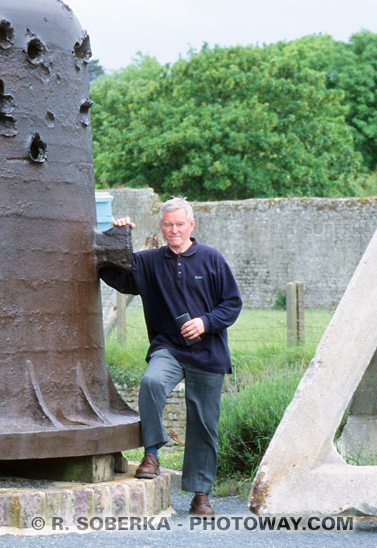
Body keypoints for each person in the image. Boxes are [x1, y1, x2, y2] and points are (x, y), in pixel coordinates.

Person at [99, 197, 242, 516]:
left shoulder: (212, 259)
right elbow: (114, 275)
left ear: (191, 225)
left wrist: (206, 322)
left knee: (204, 423)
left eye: (179, 224)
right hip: (169, 348)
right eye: (168, 224)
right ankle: (151, 453)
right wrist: (114, 235)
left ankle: (201, 494)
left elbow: (232, 303)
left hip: (209, 352)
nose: (173, 230)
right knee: (151, 382)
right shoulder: (148, 262)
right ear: (160, 227)